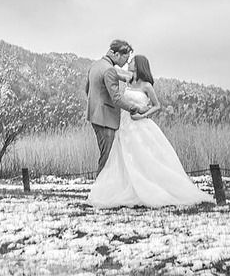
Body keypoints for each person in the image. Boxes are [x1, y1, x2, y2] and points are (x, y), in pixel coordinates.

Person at [87, 54, 214, 208]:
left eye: (132, 61)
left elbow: (157, 105)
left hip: (140, 127)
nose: (129, 62)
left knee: (146, 158)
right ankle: (129, 189)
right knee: (125, 159)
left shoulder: (146, 85)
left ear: (139, 65)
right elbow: (111, 75)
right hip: (125, 126)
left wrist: (143, 115)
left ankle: (151, 188)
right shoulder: (128, 81)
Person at [85, 39, 142, 174]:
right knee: (107, 158)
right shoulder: (109, 70)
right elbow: (116, 98)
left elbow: (87, 89)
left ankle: (104, 189)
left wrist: (122, 77)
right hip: (105, 119)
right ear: (116, 54)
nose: (126, 63)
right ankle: (99, 189)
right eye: (126, 58)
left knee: (106, 155)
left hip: (95, 115)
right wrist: (135, 108)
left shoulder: (96, 65)